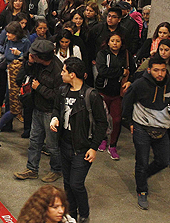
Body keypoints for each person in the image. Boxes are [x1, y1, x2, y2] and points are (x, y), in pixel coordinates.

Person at [50, 57, 108, 223]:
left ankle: (84, 215)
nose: (61, 74)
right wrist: (54, 118)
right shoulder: (62, 91)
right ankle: (71, 214)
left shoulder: (91, 95)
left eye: (64, 71)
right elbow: (56, 108)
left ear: (73, 74)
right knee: (67, 184)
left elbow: (102, 123)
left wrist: (94, 147)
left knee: (76, 184)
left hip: (82, 149)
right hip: (65, 145)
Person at [122, 56, 170, 210]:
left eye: (163, 70)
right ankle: (141, 190)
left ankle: (142, 176)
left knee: (163, 160)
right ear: (149, 69)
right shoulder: (139, 84)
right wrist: (129, 123)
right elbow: (126, 103)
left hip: (162, 129)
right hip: (141, 128)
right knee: (142, 161)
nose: (160, 73)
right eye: (156, 70)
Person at [14, 39, 64, 183]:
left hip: (50, 112)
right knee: (34, 141)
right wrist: (29, 63)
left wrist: (39, 88)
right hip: (37, 108)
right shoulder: (36, 64)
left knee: (52, 145)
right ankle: (32, 169)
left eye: (34, 55)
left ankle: (56, 170)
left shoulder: (58, 71)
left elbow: (58, 96)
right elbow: (23, 75)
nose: (31, 56)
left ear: (43, 57)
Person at [95, 31, 131, 160]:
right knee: (102, 118)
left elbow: (131, 71)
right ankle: (103, 139)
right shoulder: (102, 54)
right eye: (113, 41)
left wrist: (128, 78)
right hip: (103, 91)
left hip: (118, 93)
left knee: (116, 120)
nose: (115, 43)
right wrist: (121, 71)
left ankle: (113, 145)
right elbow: (103, 71)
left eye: (118, 41)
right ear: (108, 42)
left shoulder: (125, 55)